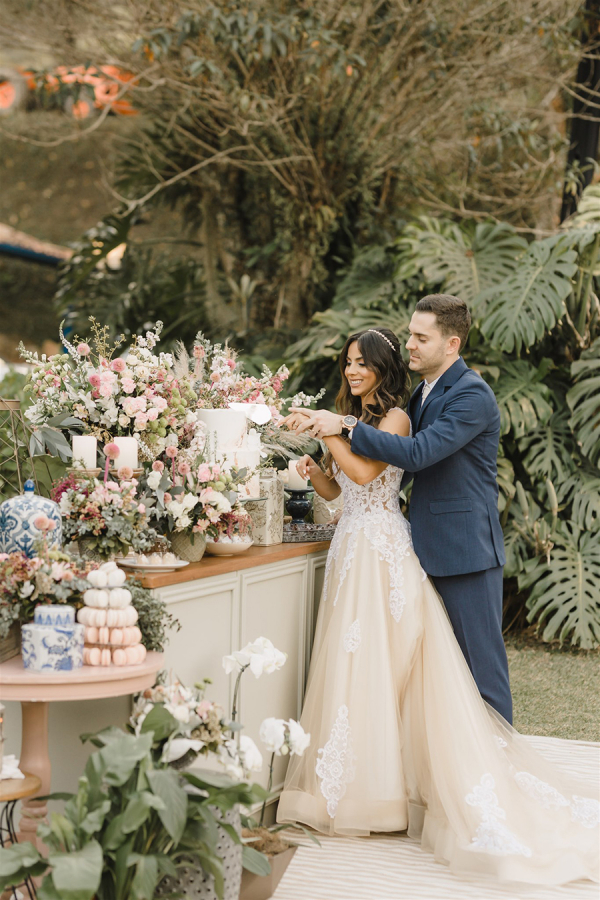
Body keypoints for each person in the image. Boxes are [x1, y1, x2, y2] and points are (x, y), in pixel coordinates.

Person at [276, 324, 598, 885]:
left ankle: (494, 773)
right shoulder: (406, 405)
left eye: (362, 362)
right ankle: (378, 788)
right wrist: (314, 471)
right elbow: (343, 487)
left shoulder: (421, 408)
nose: (352, 371)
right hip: (360, 548)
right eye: (347, 362)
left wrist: (332, 431)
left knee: (452, 670)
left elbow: (376, 468)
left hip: (407, 550)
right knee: (363, 667)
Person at [288, 294, 512, 723]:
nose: (410, 343)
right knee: (435, 677)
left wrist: (345, 426)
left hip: (465, 551)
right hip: (415, 548)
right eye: (409, 333)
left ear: (451, 345)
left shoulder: (472, 395)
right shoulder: (419, 398)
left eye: (420, 337)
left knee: (480, 673)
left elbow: (418, 452)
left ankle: (496, 770)